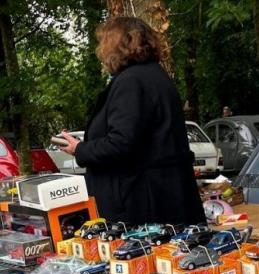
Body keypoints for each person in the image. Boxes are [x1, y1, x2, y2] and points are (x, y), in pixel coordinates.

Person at [59, 17, 205, 226]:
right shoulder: (155, 75)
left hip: (141, 202)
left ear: (115, 45)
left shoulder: (132, 81)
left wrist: (80, 149)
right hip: (166, 195)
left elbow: (122, 143)